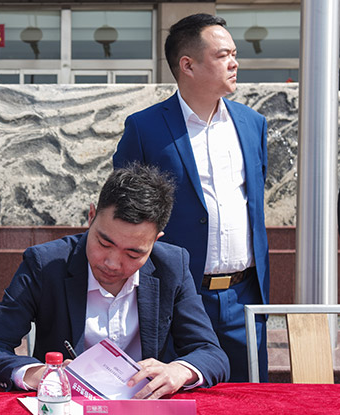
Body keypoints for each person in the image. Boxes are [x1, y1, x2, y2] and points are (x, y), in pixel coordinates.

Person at [0, 164, 229, 399]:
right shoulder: (46, 264)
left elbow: (210, 352)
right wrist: (40, 373)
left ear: (155, 241)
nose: (112, 263)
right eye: (104, 243)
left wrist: (179, 371)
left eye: (133, 253)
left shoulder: (171, 266)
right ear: (91, 216)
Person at [112, 13, 269, 382]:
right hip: (178, 298)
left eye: (235, 54)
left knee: (249, 397)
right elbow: (125, 212)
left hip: (244, 297)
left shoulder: (253, 124)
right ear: (188, 65)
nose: (234, 63)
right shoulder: (145, 128)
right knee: (176, 393)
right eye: (223, 55)